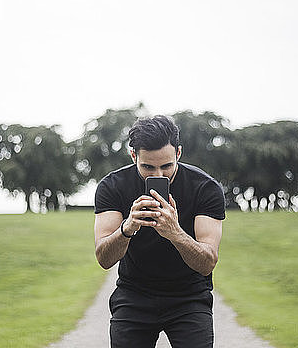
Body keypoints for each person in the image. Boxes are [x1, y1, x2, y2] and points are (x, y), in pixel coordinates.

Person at [94, 115, 225, 348]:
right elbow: (104, 258)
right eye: (148, 167)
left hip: (189, 296)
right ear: (133, 156)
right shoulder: (112, 186)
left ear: (179, 154)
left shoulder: (205, 188)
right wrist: (128, 227)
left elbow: (207, 263)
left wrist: (174, 232)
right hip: (134, 295)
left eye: (166, 166)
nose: (158, 175)